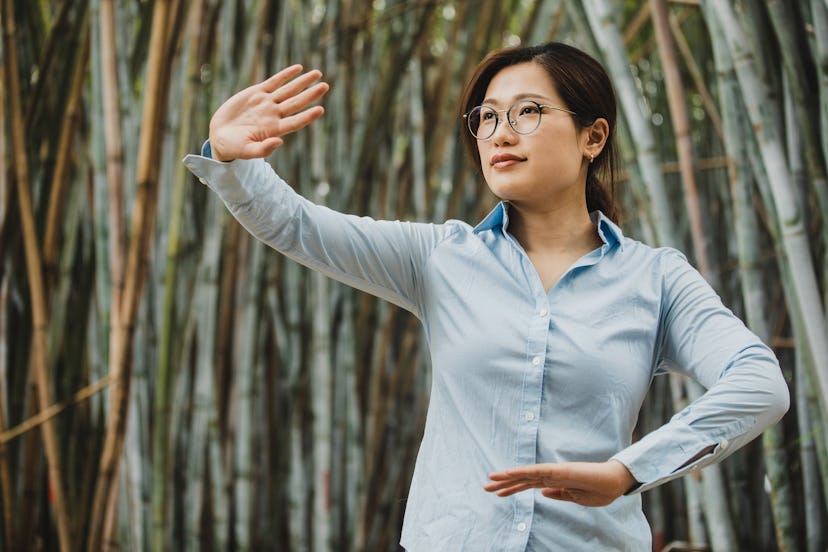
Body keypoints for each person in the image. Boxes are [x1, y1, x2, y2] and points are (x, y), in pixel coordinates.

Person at [183, 42, 789, 551]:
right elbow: (298, 226)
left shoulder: (655, 279)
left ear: (593, 137)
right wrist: (235, 161)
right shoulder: (441, 259)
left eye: (527, 112)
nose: (501, 133)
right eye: (488, 117)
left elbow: (759, 381)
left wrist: (627, 472)